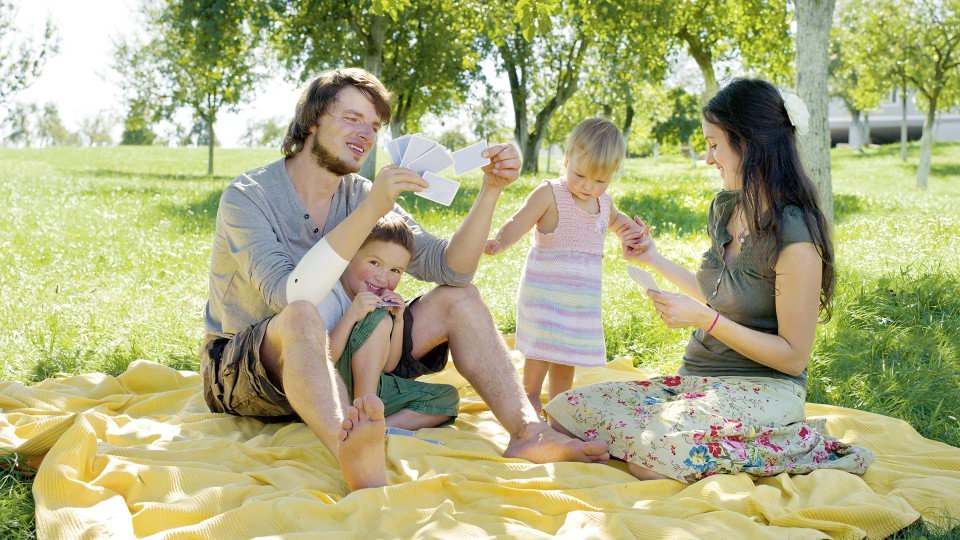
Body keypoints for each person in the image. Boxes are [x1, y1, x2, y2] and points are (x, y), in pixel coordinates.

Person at [200, 67, 609, 492]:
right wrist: (374, 206)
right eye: (351, 118)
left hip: (344, 359)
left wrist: (490, 192)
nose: (365, 133)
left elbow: (450, 267)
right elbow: (288, 295)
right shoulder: (248, 197)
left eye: (374, 126)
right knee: (302, 315)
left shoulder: (359, 193)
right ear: (311, 121)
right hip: (251, 371)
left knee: (460, 297)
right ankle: (352, 448)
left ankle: (528, 432)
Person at [543, 78, 875, 482]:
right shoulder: (726, 207)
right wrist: (653, 259)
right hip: (698, 382)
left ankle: (796, 445)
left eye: (714, 144)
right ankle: (679, 446)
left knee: (651, 459)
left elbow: (792, 356)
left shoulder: (794, 235)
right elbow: (721, 292)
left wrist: (704, 320)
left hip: (766, 389)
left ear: (748, 144)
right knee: (566, 409)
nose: (707, 158)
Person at [484, 118, 642, 413]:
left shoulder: (603, 203)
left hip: (578, 306)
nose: (587, 186)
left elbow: (619, 222)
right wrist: (499, 242)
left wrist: (633, 232)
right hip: (545, 299)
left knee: (565, 360)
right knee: (540, 354)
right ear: (566, 160)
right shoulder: (550, 194)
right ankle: (528, 402)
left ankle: (559, 407)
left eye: (599, 181)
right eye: (580, 174)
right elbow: (519, 221)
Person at [320, 214, 458, 430]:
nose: (382, 278)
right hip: (336, 389)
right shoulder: (329, 294)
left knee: (447, 398)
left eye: (395, 270)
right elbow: (321, 362)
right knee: (378, 317)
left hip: (375, 387)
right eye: (375, 263)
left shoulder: (383, 303)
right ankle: (363, 416)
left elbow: (389, 365)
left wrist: (399, 319)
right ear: (350, 255)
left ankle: (376, 428)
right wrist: (351, 316)